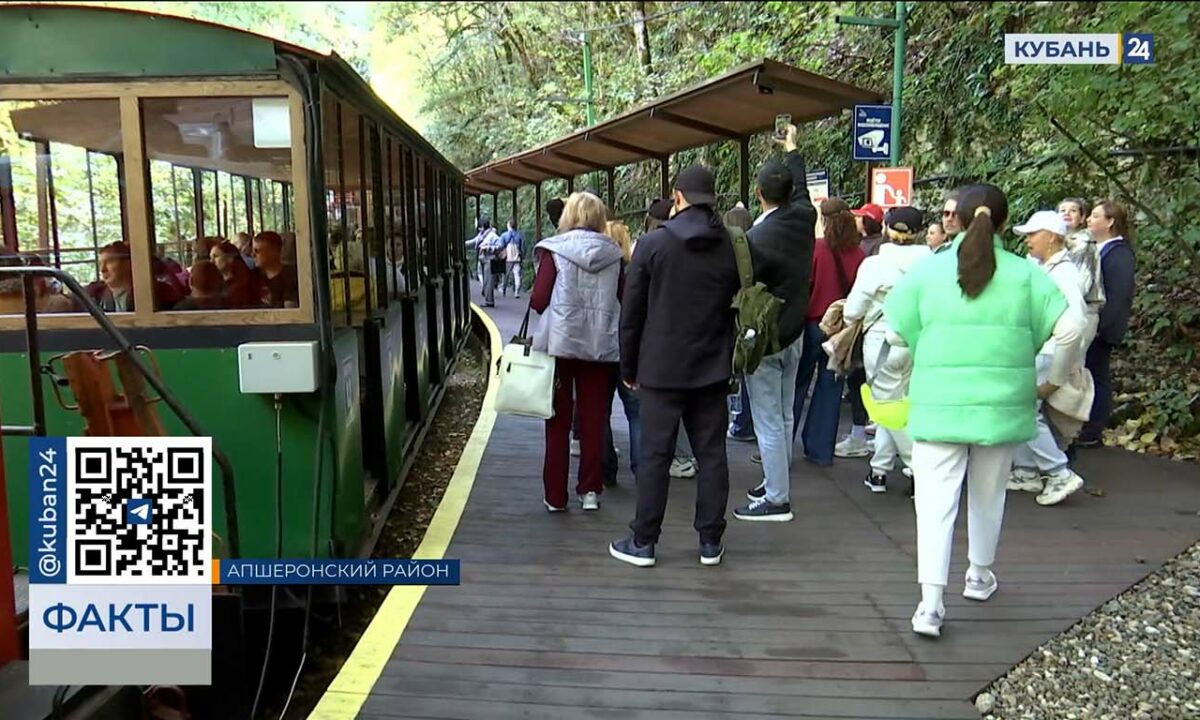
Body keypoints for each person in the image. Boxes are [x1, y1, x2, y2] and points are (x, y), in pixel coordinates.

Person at [883, 184, 1082, 638]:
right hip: (1003, 402)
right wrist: (1051, 377)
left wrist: (923, 344)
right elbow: (1071, 330)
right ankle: (978, 575)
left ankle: (930, 606)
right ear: (1005, 224)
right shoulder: (1027, 275)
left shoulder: (929, 272)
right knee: (990, 492)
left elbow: (894, 332)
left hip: (938, 401)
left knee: (934, 504)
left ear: (956, 219)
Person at [609, 165, 740, 568]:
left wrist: (628, 367)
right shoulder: (732, 245)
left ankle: (644, 541)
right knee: (712, 454)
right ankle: (710, 543)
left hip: (661, 368)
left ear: (677, 197)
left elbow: (632, 315)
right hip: (714, 365)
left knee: (655, 455)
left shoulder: (652, 245)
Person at [733, 123, 816, 522]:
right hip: (795, 329)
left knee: (767, 418)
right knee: (783, 414)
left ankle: (777, 499)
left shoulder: (753, 241)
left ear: (758, 194)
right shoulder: (804, 218)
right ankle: (774, 481)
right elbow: (800, 187)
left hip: (765, 337)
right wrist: (793, 150)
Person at [530, 192, 625, 513]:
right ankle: (590, 491)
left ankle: (556, 496)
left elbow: (539, 300)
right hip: (599, 345)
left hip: (561, 345)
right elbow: (623, 296)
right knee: (595, 418)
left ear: (566, 217)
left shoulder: (553, 250)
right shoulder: (615, 254)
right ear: (600, 218)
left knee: (557, 419)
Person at [843, 206, 930, 494]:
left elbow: (853, 309)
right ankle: (879, 469)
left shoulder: (875, 265)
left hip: (882, 342)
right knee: (900, 403)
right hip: (920, 341)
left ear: (886, 229)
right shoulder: (932, 264)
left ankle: (920, 469)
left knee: (885, 405)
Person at [1009, 210, 1088, 505]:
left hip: (1048, 351)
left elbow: (1075, 322)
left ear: (1052, 238)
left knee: (1023, 413)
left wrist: (1060, 371)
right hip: (1045, 350)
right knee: (1025, 411)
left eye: (1033, 234)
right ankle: (1028, 470)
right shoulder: (1050, 268)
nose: (1028, 240)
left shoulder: (1063, 273)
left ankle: (1058, 473)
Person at [791, 199, 866, 465]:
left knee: (798, 385)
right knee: (830, 388)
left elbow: (805, 286)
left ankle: (784, 447)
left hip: (813, 324)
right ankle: (820, 450)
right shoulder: (859, 255)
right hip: (843, 331)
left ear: (823, 220)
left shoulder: (817, 249)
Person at [1077, 199, 1135, 447]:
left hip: (1102, 328)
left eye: (1096, 216)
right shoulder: (1098, 249)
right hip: (1092, 324)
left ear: (1110, 222)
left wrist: (1101, 328)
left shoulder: (1119, 252)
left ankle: (1093, 429)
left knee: (1097, 376)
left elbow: (1118, 294)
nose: (1089, 220)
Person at [601, 220, 640, 488]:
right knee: (636, 412)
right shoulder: (635, 271)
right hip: (630, 348)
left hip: (601, 349)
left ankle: (607, 470)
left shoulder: (600, 270)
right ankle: (642, 468)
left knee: (600, 412)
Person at [724, 203, 757, 443]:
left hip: (729, 316)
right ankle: (745, 420)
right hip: (749, 316)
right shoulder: (757, 245)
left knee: (734, 369)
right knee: (747, 370)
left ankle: (738, 420)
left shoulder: (723, 249)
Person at [211, 241, 265, 308]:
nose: (211, 261)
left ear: (230, 258)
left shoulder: (247, 281)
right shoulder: (215, 282)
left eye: (215, 256)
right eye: (210, 257)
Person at [253, 231, 299, 308]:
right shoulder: (253, 275)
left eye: (257, 251)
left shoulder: (291, 278)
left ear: (274, 252)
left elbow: (290, 313)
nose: (253, 255)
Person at [500, 218, 525, 298]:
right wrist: (522, 256)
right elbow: (523, 248)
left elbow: (500, 246)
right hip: (517, 258)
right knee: (517, 274)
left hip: (508, 258)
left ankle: (503, 290)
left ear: (509, 225)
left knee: (506, 275)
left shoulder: (504, 235)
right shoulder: (519, 235)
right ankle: (517, 292)